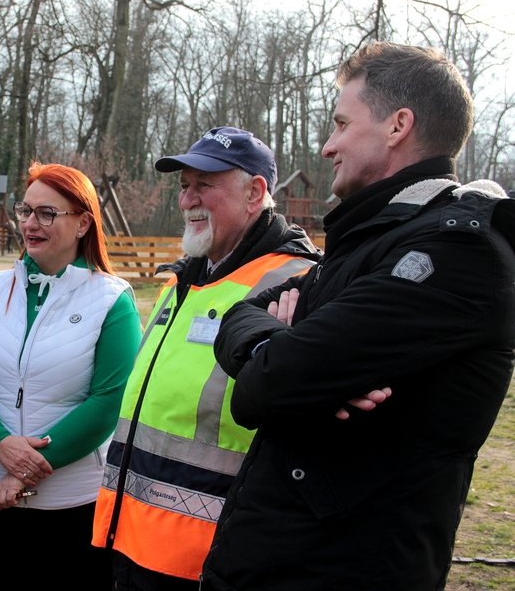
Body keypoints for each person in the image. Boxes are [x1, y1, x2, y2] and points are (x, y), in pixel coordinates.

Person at [202, 42, 515, 590]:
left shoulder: (459, 252)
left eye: (342, 123)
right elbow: (241, 315)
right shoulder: (369, 240)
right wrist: (273, 346)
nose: (327, 146)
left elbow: (264, 392)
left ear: (398, 125)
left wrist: (284, 361)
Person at [92, 126, 322, 589]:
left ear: (255, 192)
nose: (186, 200)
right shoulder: (180, 281)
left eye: (204, 185)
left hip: (210, 558)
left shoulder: (298, 284)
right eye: (183, 186)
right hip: (127, 539)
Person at [0, 161, 141, 590]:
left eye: (47, 214)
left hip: (72, 507)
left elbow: (108, 403)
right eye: (26, 210)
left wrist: (26, 471)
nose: (30, 223)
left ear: (82, 224)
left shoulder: (112, 301)